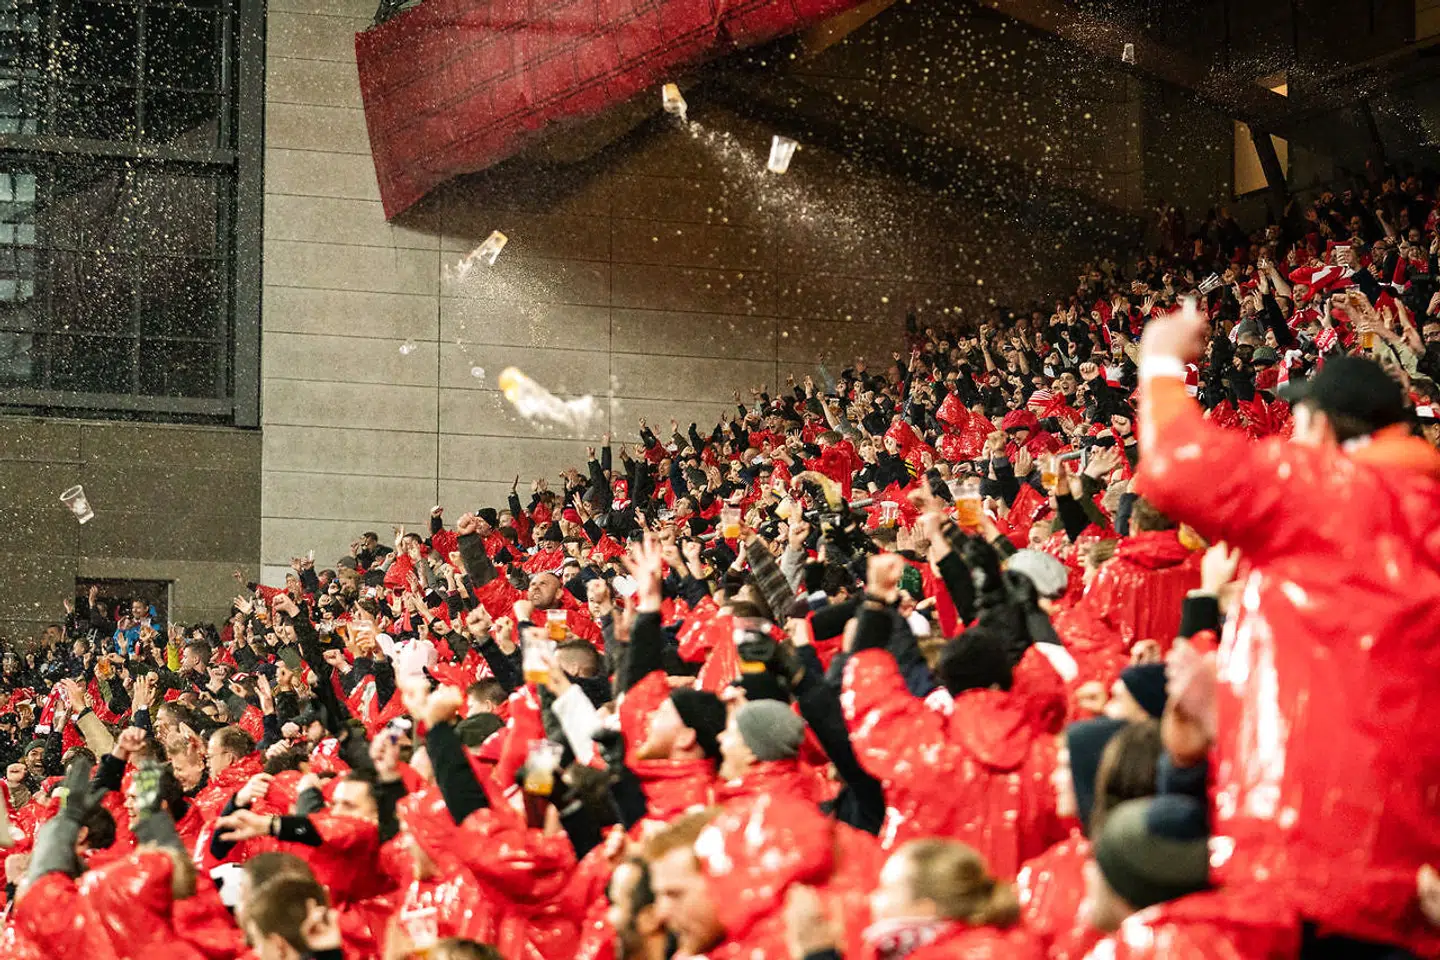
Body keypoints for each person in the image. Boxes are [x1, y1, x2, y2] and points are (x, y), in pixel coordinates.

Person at [1138, 310, 1440, 957]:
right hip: (1417, 890)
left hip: (1316, 873)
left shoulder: (1332, 492)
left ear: (1322, 428)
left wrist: (1161, 360)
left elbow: (1179, 465)